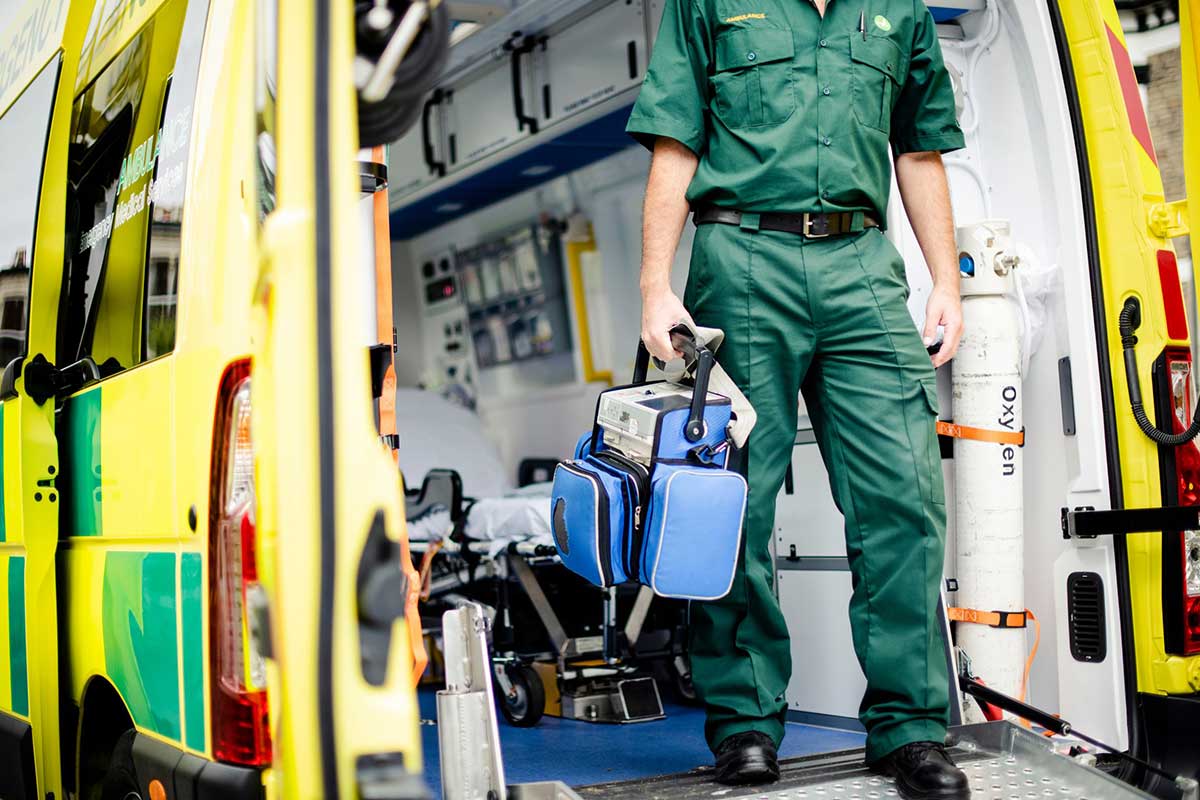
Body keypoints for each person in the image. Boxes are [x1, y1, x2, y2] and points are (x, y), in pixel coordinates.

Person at [626, 1, 968, 798]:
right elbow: (677, 142)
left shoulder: (897, 10)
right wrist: (653, 286)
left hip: (861, 261)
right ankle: (745, 724)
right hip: (742, 256)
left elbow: (919, 148)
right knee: (732, 504)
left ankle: (909, 727)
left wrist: (946, 279)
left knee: (906, 499)